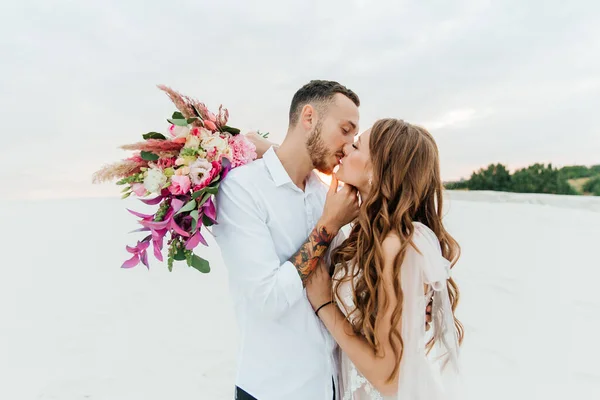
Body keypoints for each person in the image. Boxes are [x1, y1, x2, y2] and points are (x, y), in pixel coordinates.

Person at [213, 80, 361, 400]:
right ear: (309, 117)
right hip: (273, 388)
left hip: (329, 385)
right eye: (345, 129)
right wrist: (327, 226)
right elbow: (268, 299)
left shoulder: (326, 196)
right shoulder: (243, 189)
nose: (349, 146)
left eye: (355, 137)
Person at [305, 118, 463, 399]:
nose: (344, 149)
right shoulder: (371, 234)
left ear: (378, 170)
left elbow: (390, 378)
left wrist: (325, 305)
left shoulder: (398, 245)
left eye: (355, 146)